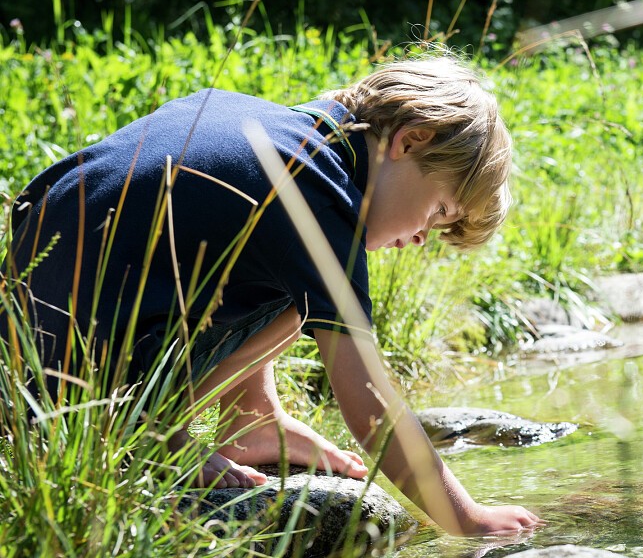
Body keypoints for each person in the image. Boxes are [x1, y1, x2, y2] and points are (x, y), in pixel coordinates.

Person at [1, 55, 542, 535]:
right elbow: (372, 411)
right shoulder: (318, 198)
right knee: (317, 285)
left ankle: (251, 417)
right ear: (409, 141)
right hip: (63, 392)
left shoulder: (282, 132)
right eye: (440, 210)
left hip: (25, 337)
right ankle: (146, 438)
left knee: (295, 284)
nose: (423, 237)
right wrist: (467, 518)